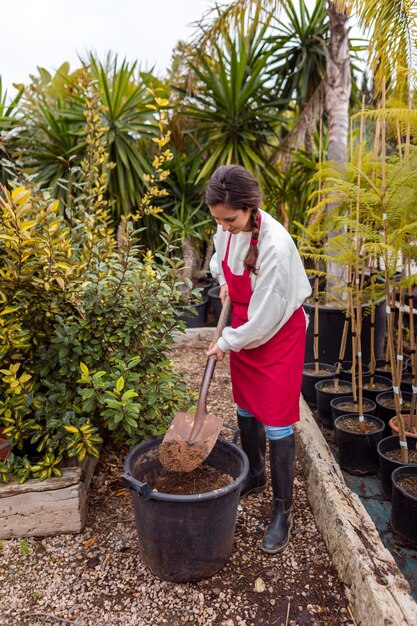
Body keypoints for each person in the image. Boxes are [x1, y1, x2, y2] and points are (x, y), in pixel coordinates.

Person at [206, 164, 311, 554]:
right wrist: (222, 284)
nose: (223, 226)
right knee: (245, 405)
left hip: (277, 334)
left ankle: (283, 510)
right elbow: (221, 259)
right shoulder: (226, 228)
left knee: (277, 421)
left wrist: (227, 342)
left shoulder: (276, 247)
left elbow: (268, 317)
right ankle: (256, 473)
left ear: (250, 208)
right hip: (244, 324)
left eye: (229, 220)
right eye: (217, 219)